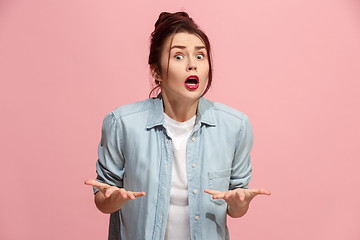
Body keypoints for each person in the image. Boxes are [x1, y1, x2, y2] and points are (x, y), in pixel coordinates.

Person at [85, 11, 270, 240]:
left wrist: (239, 204)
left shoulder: (235, 126)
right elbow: (103, 201)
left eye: (200, 56)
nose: (192, 65)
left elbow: (237, 207)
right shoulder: (122, 124)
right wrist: (112, 199)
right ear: (156, 71)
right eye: (179, 56)